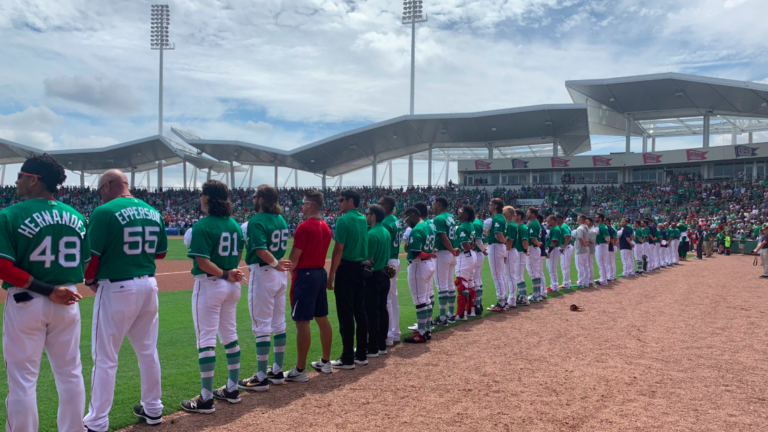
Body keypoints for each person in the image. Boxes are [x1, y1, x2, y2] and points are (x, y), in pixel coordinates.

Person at [1, 154, 87, 432]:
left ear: (34, 179)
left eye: (21, 175)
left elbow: (3, 267)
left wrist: (47, 289)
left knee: (23, 380)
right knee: (70, 374)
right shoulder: (76, 216)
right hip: (68, 299)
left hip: (28, 299)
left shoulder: (9, 215)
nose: (17, 180)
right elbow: (83, 263)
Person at [84, 169, 167, 430]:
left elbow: (91, 259)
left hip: (116, 289)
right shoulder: (153, 211)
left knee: (105, 358)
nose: (99, 196)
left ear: (108, 185)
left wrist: (89, 281)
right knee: (148, 351)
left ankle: (97, 421)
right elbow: (161, 253)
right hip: (148, 286)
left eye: (99, 190)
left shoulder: (104, 212)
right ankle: (153, 409)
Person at [181, 180, 245, 413]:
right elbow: (239, 253)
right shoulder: (235, 225)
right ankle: (232, 388)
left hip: (210, 285)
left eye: (202, 194)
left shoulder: (202, 225)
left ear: (208, 197)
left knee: (206, 340)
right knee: (230, 335)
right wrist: (229, 272)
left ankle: (206, 399)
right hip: (231, 286)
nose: (200, 198)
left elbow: (202, 261)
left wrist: (224, 273)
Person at [239, 184, 292, 390]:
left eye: (255, 197)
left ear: (261, 199)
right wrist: (279, 264)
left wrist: (276, 264)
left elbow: (260, 249)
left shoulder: (256, 220)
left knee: (261, 326)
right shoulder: (280, 219)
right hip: (280, 275)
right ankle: (277, 370)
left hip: (264, 272)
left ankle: (261, 376)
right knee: (278, 324)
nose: (253, 200)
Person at [287, 189, 333, 379]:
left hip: (305, 275)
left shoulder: (304, 227)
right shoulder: (326, 226)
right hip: (320, 272)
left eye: (304, 203)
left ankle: (300, 369)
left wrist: (291, 272)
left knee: (302, 321)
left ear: (310, 204)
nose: (302, 207)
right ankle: (325, 361)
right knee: (322, 318)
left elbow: (294, 257)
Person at [327, 189, 369, 368]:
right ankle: (361, 354)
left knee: (346, 315)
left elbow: (338, 249)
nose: (339, 203)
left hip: (347, 268)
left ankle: (347, 357)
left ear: (350, 201)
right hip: (361, 267)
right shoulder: (362, 219)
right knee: (360, 312)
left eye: (342, 200)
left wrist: (331, 275)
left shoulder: (343, 220)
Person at [403, 206, 436, 344]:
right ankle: (426, 330)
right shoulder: (429, 226)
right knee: (426, 300)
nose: (406, 222)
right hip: (428, 265)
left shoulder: (417, 229)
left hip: (419, 265)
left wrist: (428, 254)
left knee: (420, 301)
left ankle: (421, 333)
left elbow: (417, 252)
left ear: (412, 216)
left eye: (406, 218)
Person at [363, 204, 392, 357]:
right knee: (382, 309)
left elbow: (368, 261)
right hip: (384, 274)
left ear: (373, 216)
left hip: (374, 276)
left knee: (371, 311)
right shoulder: (385, 231)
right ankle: (381, 344)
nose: (366, 216)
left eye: (367, 214)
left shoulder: (371, 234)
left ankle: (372, 346)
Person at [378, 196, 402, 345]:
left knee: (386, 299)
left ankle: (388, 335)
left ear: (386, 206)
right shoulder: (395, 220)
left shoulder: (386, 222)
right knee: (393, 298)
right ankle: (395, 332)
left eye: (380, 204)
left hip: (388, 260)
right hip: (396, 259)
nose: (378, 206)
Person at [432, 197, 460, 324]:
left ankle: (442, 317)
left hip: (443, 253)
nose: (433, 206)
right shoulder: (450, 217)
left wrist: (451, 250)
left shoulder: (439, 218)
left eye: (434, 204)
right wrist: (453, 250)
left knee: (442, 285)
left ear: (438, 204)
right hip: (450, 254)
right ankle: (450, 313)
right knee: (449, 285)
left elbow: (443, 238)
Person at [454, 205, 477, 320]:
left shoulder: (462, 226)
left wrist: (465, 248)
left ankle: (461, 314)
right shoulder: (471, 225)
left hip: (464, 256)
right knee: (470, 283)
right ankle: (470, 310)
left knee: (461, 283)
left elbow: (465, 244)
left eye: (461, 210)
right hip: (472, 255)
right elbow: (473, 243)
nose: (459, 211)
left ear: (466, 215)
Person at [486, 198, 508, 311]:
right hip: (498, 247)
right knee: (501, 275)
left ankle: (501, 302)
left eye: (491, 204)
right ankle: (504, 300)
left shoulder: (497, 218)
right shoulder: (500, 218)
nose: (489, 206)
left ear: (495, 206)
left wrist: (503, 241)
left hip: (495, 246)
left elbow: (499, 236)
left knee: (497, 275)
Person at [512, 209, 530, 305]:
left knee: (518, 276)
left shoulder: (522, 227)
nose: (513, 216)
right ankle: (521, 295)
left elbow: (525, 241)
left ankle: (524, 297)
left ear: (519, 216)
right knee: (516, 276)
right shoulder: (517, 227)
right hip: (517, 253)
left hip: (520, 253)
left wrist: (525, 250)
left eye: (514, 215)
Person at [526, 207, 545, 301]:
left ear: (533, 214)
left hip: (532, 248)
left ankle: (536, 295)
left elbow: (533, 238)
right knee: (536, 272)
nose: (527, 214)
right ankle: (538, 294)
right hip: (536, 249)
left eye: (528, 213)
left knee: (533, 272)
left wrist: (537, 243)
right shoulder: (535, 223)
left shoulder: (533, 223)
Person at [502, 206, 518, 308]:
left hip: (510, 251)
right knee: (508, 276)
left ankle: (512, 300)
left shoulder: (511, 225)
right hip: (510, 251)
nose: (503, 213)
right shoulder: (509, 224)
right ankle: (510, 298)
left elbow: (510, 242)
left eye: (504, 212)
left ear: (509, 214)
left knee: (511, 276)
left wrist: (505, 254)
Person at [471, 213, 487, 315]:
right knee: (478, 279)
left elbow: (477, 240)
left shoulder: (475, 223)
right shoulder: (479, 222)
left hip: (477, 252)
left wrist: (483, 249)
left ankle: (476, 305)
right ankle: (479, 303)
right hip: (479, 253)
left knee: (475, 280)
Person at [571, 215, 590, 288]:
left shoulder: (580, 228)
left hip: (581, 250)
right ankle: (586, 282)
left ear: (580, 220)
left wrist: (584, 244)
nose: (577, 220)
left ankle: (580, 282)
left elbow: (580, 238)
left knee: (580, 267)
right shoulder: (586, 227)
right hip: (586, 249)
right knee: (585, 266)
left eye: (578, 219)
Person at [545, 215, 561, 293]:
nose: (548, 222)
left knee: (552, 268)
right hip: (552, 249)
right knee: (548, 267)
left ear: (553, 220)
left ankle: (555, 286)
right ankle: (553, 285)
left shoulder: (555, 229)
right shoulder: (553, 229)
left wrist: (549, 252)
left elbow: (554, 241)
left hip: (554, 250)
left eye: (549, 221)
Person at [557, 214, 573, 290]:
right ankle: (567, 282)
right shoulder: (565, 225)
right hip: (568, 247)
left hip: (567, 247)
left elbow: (567, 236)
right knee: (565, 266)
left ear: (559, 219)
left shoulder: (563, 227)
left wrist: (564, 245)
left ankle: (566, 283)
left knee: (565, 266)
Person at [594, 213, 609, 286]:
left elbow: (607, 238)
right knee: (600, 262)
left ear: (600, 219)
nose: (595, 218)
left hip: (602, 245)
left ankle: (604, 280)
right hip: (600, 245)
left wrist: (605, 244)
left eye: (597, 217)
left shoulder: (602, 227)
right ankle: (602, 278)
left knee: (602, 262)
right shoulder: (600, 226)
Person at [586, 217, 597, 287]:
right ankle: (588, 279)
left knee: (589, 264)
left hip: (590, 249)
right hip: (588, 248)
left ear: (591, 223)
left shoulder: (592, 231)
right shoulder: (589, 230)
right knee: (588, 264)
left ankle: (590, 280)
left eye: (587, 222)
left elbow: (592, 241)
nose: (586, 223)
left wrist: (584, 241)